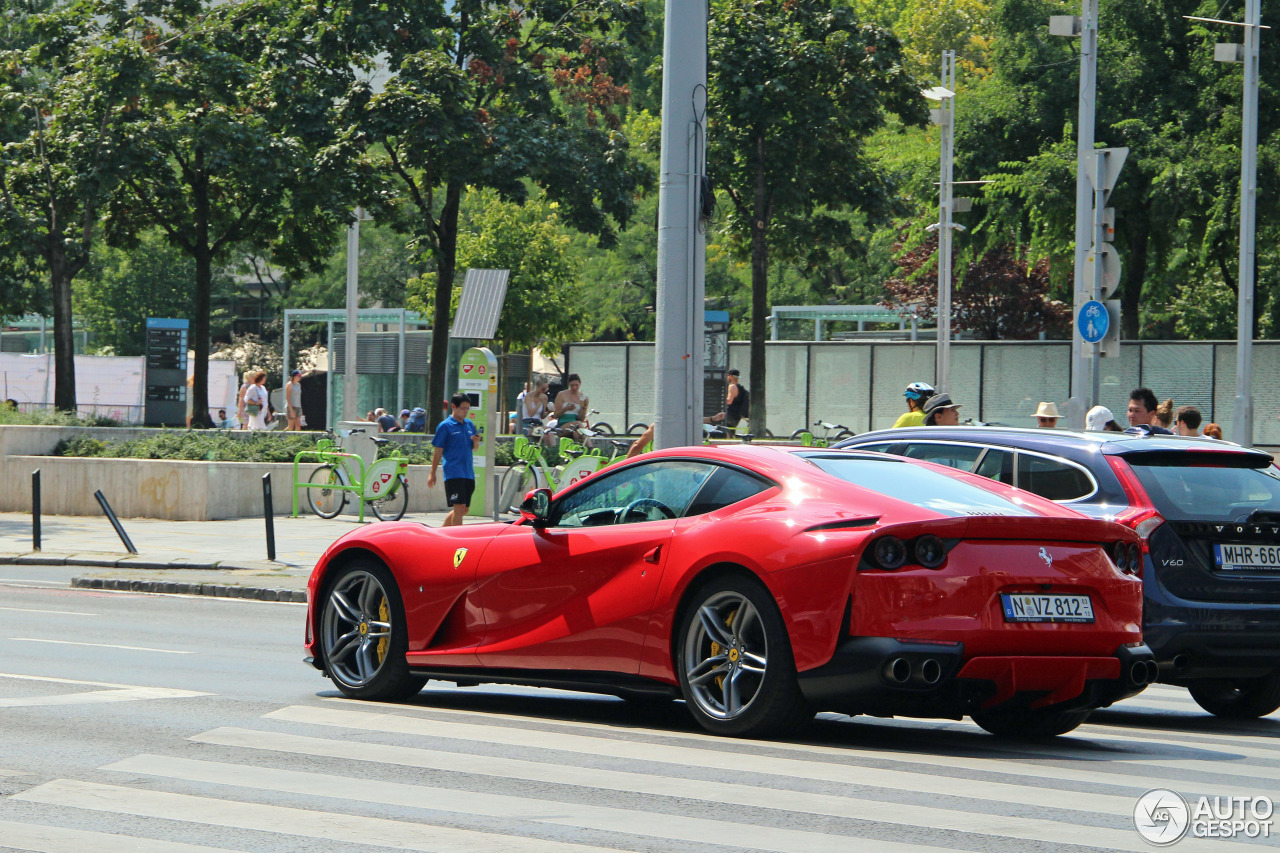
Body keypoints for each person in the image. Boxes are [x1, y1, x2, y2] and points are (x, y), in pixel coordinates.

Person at [428, 393, 481, 527]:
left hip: (468, 472)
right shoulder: (445, 426)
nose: (465, 411)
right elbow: (438, 450)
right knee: (459, 507)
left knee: (464, 509)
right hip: (453, 472)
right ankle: (457, 541)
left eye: (468, 408)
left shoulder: (469, 425)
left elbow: (474, 449)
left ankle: (441, 534)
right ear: (453, 406)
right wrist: (432, 472)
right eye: (463, 408)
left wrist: (476, 442)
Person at [550, 373, 589, 439]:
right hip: (562, 425)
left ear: (580, 384)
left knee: (576, 433)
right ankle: (590, 447)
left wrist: (584, 408)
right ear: (569, 385)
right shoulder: (562, 395)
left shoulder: (583, 398)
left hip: (575, 425)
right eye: (572, 385)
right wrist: (566, 409)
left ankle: (578, 448)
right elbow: (556, 415)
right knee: (578, 424)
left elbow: (581, 419)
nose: (574, 388)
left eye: (576, 385)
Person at [722, 369, 750, 433]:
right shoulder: (741, 388)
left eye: (727, 376)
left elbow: (729, 401)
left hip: (730, 414)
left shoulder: (732, 387)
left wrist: (721, 399)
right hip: (737, 415)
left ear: (731, 376)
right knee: (732, 431)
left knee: (727, 432)